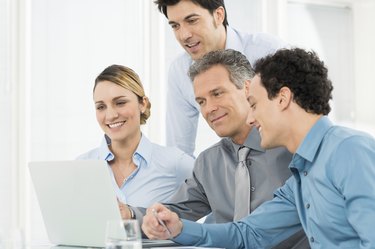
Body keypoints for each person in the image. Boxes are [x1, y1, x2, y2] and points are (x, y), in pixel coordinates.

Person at [141, 48, 375, 248]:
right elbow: (249, 233)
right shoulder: (301, 175)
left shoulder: (349, 150)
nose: (251, 118)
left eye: (254, 104)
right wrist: (180, 229)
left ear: (282, 98)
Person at [133, 49, 308, 248]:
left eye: (217, 94)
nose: (209, 109)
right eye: (201, 102)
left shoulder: (294, 150)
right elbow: (175, 214)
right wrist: (134, 215)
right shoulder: (208, 162)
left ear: (247, 89)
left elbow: (251, 233)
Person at [154, 0, 287, 156]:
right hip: (235, 165)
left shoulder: (268, 51)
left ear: (218, 15)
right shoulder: (180, 71)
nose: (184, 35)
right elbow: (179, 151)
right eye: (175, 26)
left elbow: (304, 121)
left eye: (192, 21)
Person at [77, 65, 194, 213]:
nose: (111, 115)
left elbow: (218, 202)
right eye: (101, 107)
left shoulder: (176, 162)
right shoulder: (82, 166)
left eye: (120, 103)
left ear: (142, 104)